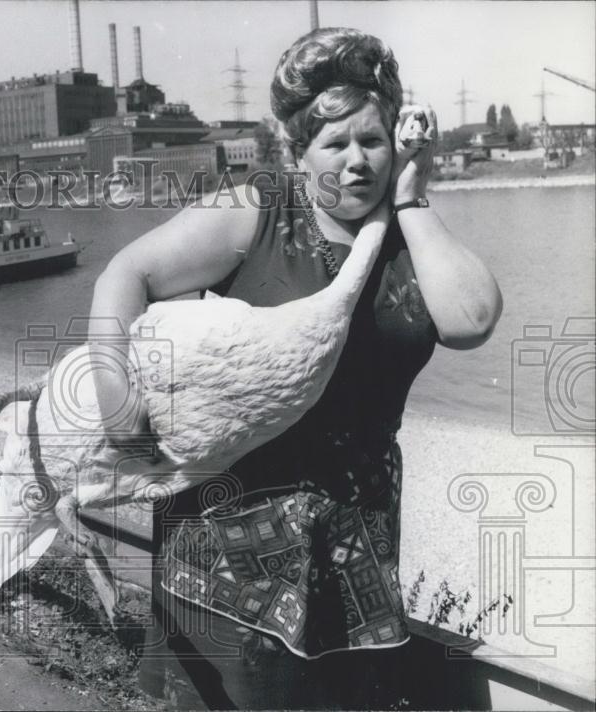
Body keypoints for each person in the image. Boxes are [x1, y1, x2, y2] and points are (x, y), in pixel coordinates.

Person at [87, 27, 503, 709]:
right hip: (225, 552)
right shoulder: (260, 212)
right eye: (334, 144)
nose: (356, 161)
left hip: (352, 549)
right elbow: (125, 274)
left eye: (373, 140)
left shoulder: (408, 241)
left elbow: (473, 319)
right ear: (298, 153)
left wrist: (412, 200)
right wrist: (116, 394)